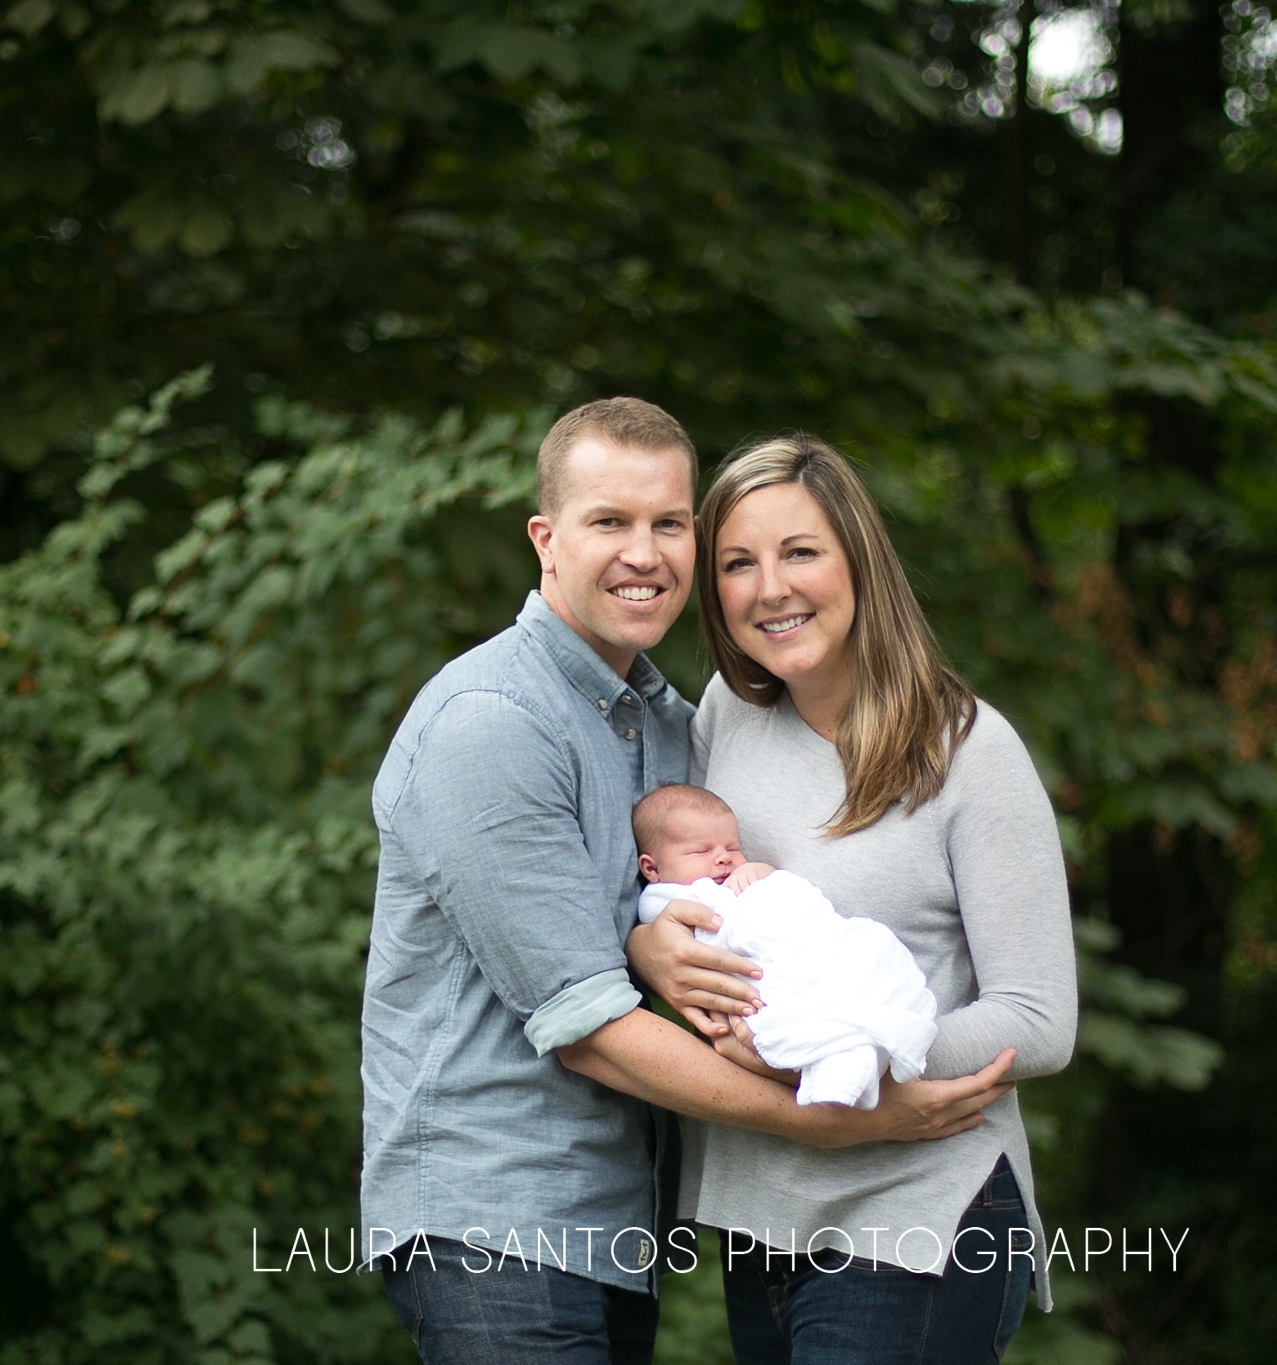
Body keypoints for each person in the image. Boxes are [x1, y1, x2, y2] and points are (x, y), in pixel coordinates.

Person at [358, 400, 1018, 1365]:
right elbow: (587, 1029)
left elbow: (667, 922)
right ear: (545, 539)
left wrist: (644, 940)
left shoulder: (670, 726)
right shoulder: (490, 720)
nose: (645, 552)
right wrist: (832, 1118)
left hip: (618, 1221)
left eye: (669, 523)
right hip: (492, 1220)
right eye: (609, 522)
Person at [627, 433, 1079, 1365]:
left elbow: (1039, 1021)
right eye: (737, 564)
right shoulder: (725, 714)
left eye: (800, 552)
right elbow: (681, 896)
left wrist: (851, 1056)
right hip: (762, 1214)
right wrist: (650, 951)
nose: (770, 588)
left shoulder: (970, 753)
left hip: (918, 1205)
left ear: (859, 561)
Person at [631, 782, 938, 1108]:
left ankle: (861, 1055)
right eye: (701, 851)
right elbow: (689, 929)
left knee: (873, 946)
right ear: (652, 868)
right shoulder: (663, 898)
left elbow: (791, 901)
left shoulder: (741, 876)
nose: (723, 858)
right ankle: (841, 1070)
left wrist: (763, 875)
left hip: (808, 944)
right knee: (802, 1008)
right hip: (755, 976)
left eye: (732, 848)